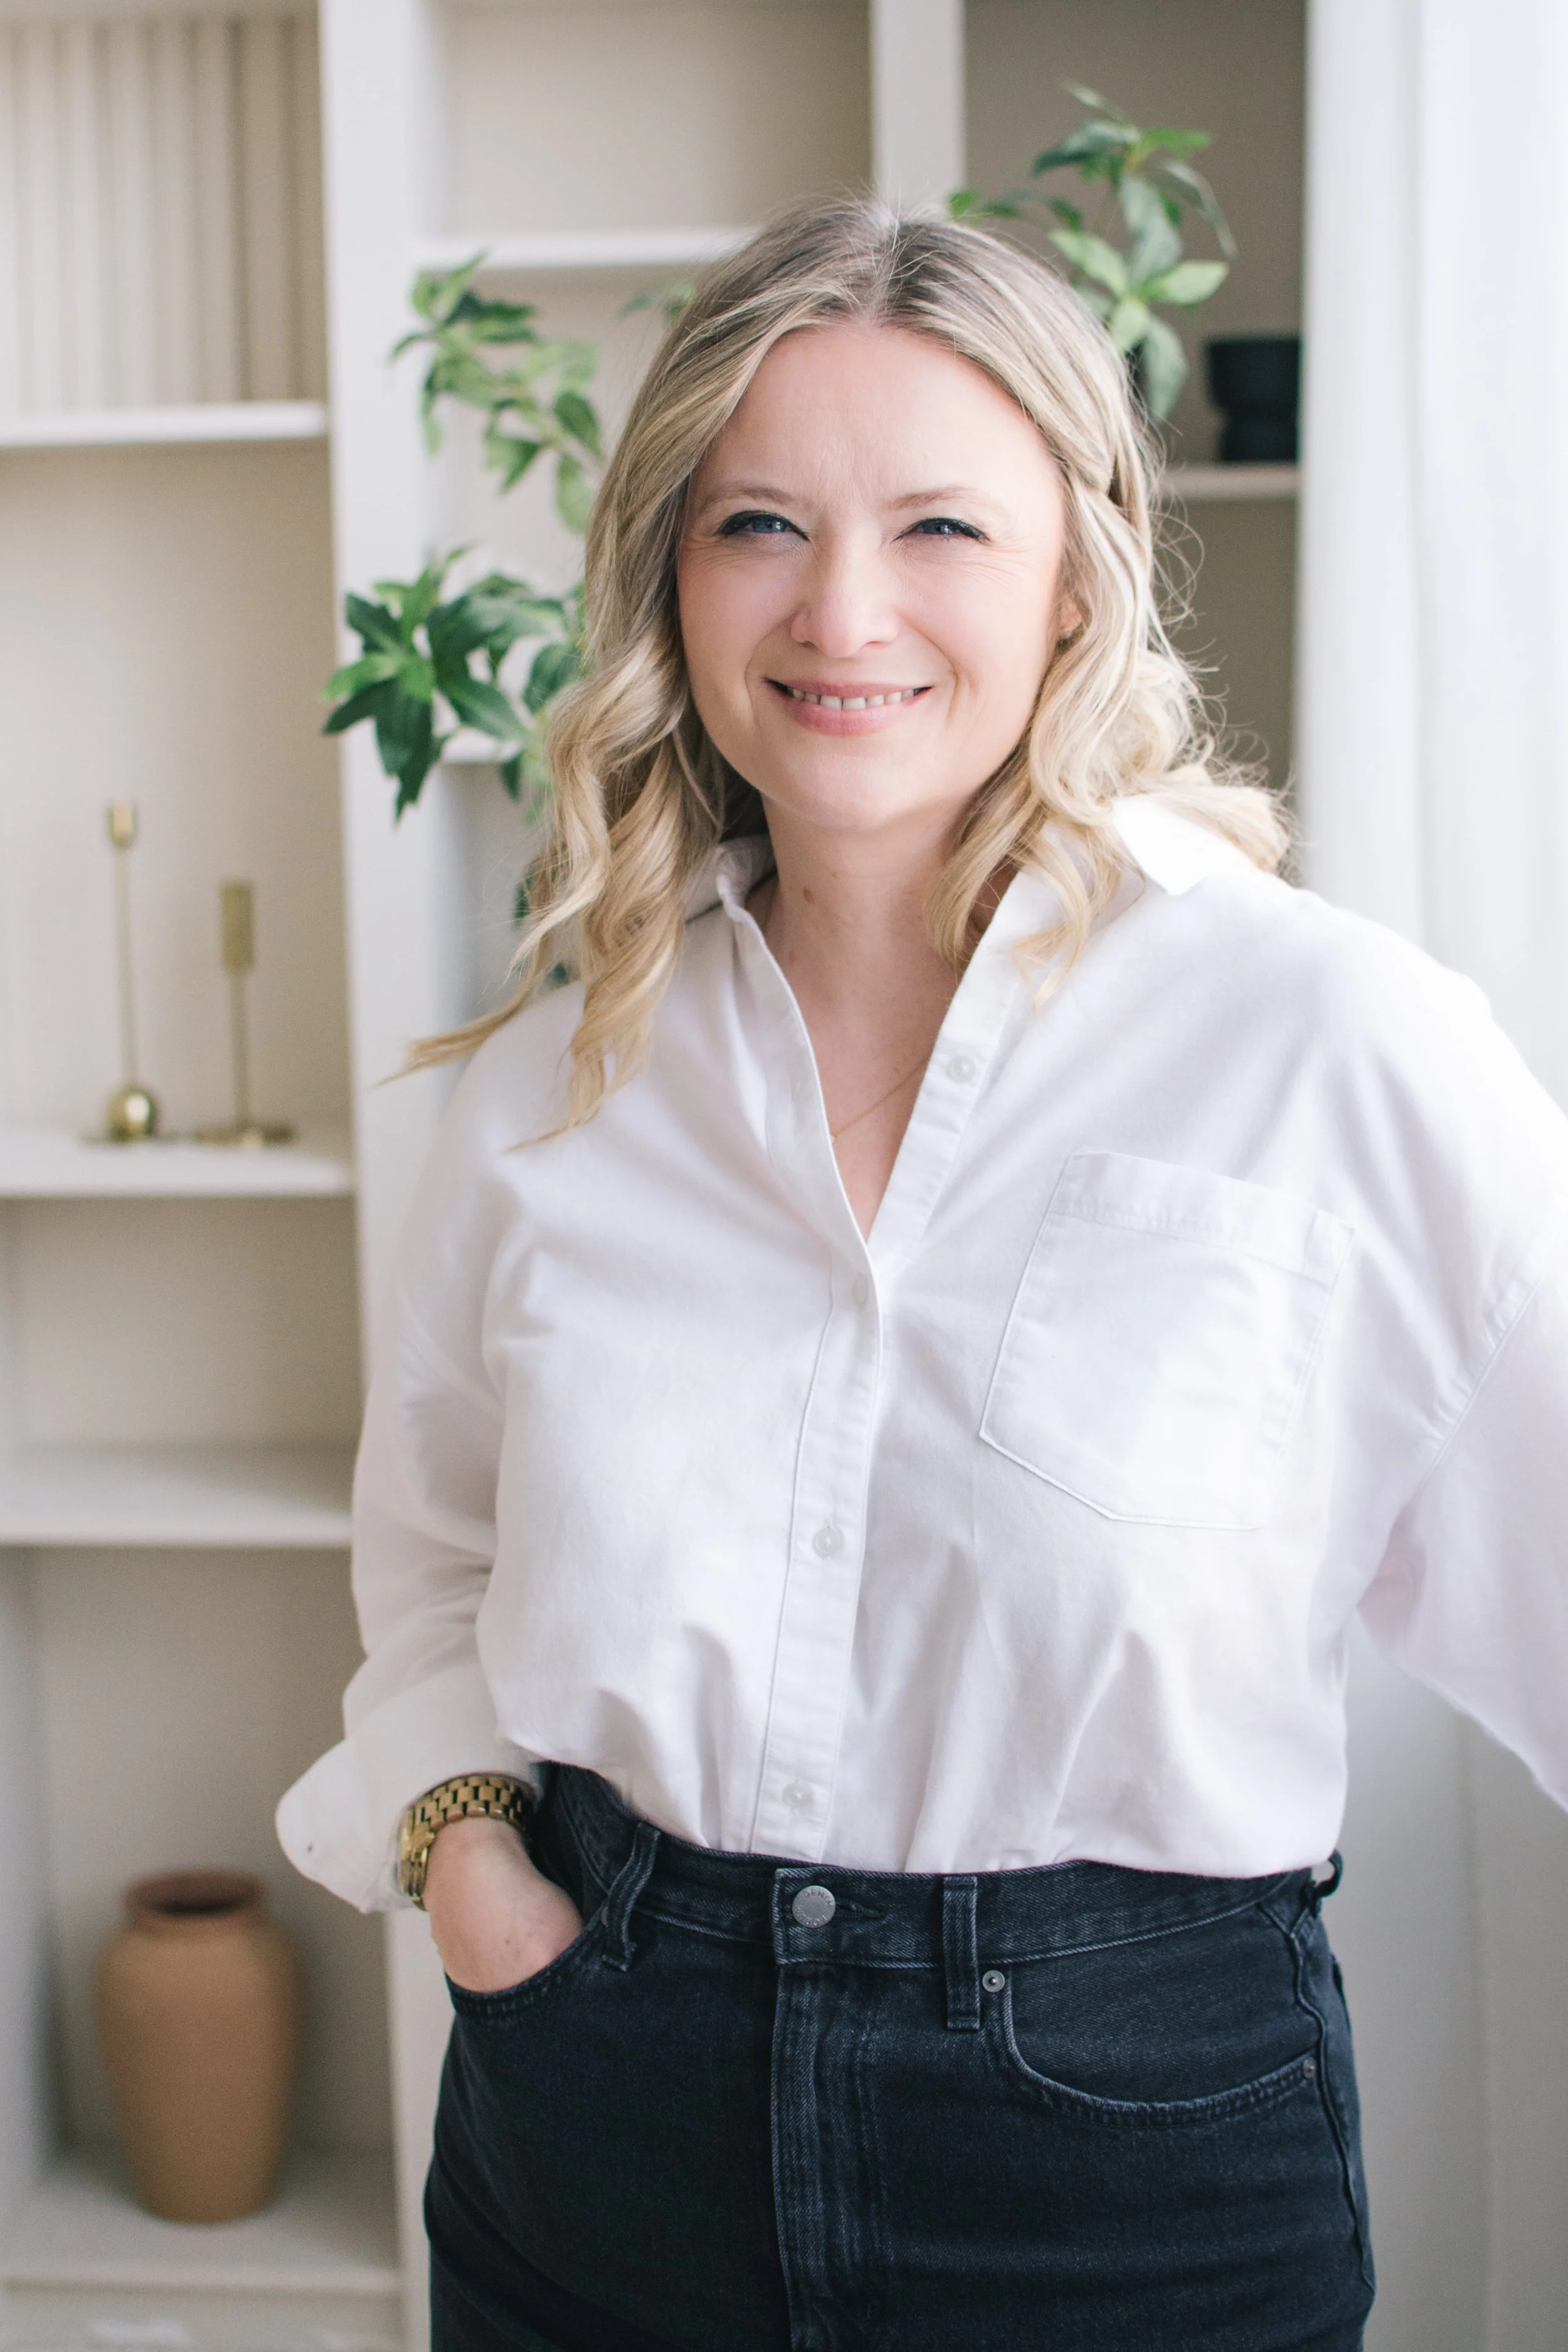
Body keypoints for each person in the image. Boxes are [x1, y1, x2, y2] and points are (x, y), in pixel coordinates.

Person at [279, 199, 1568, 2352]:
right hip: (593, 2121)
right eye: (759, 522)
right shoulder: (544, 1086)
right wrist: (474, 1875)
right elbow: (431, 1571)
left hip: (1124, 2164)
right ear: (668, 579)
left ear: (1078, 571)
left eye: (942, 526)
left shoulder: (1333, 1051)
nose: (841, 608)